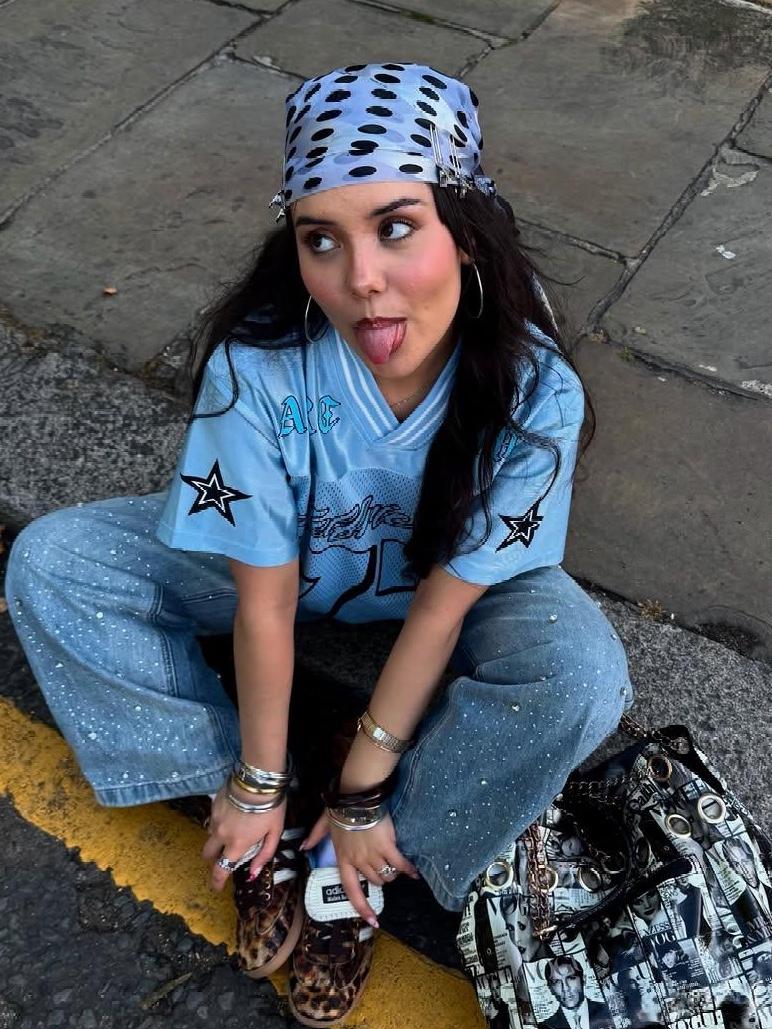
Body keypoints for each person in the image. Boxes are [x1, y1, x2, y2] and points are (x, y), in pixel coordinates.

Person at [4, 61, 633, 1026]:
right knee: (54, 564)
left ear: (466, 233)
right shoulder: (261, 368)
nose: (361, 280)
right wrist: (258, 779)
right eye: (320, 240)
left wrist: (366, 787)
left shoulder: (530, 384)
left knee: (583, 674)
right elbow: (262, 602)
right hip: (286, 576)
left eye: (395, 227)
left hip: (449, 589)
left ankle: (362, 851)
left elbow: (445, 608)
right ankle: (260, 816)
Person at [542, 955, 612, 1029]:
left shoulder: (609, 1011)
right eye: (557, 982)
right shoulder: (545, 1026)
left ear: (583, 979)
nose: (565, 988)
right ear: (550, 988)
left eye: (571, 978)